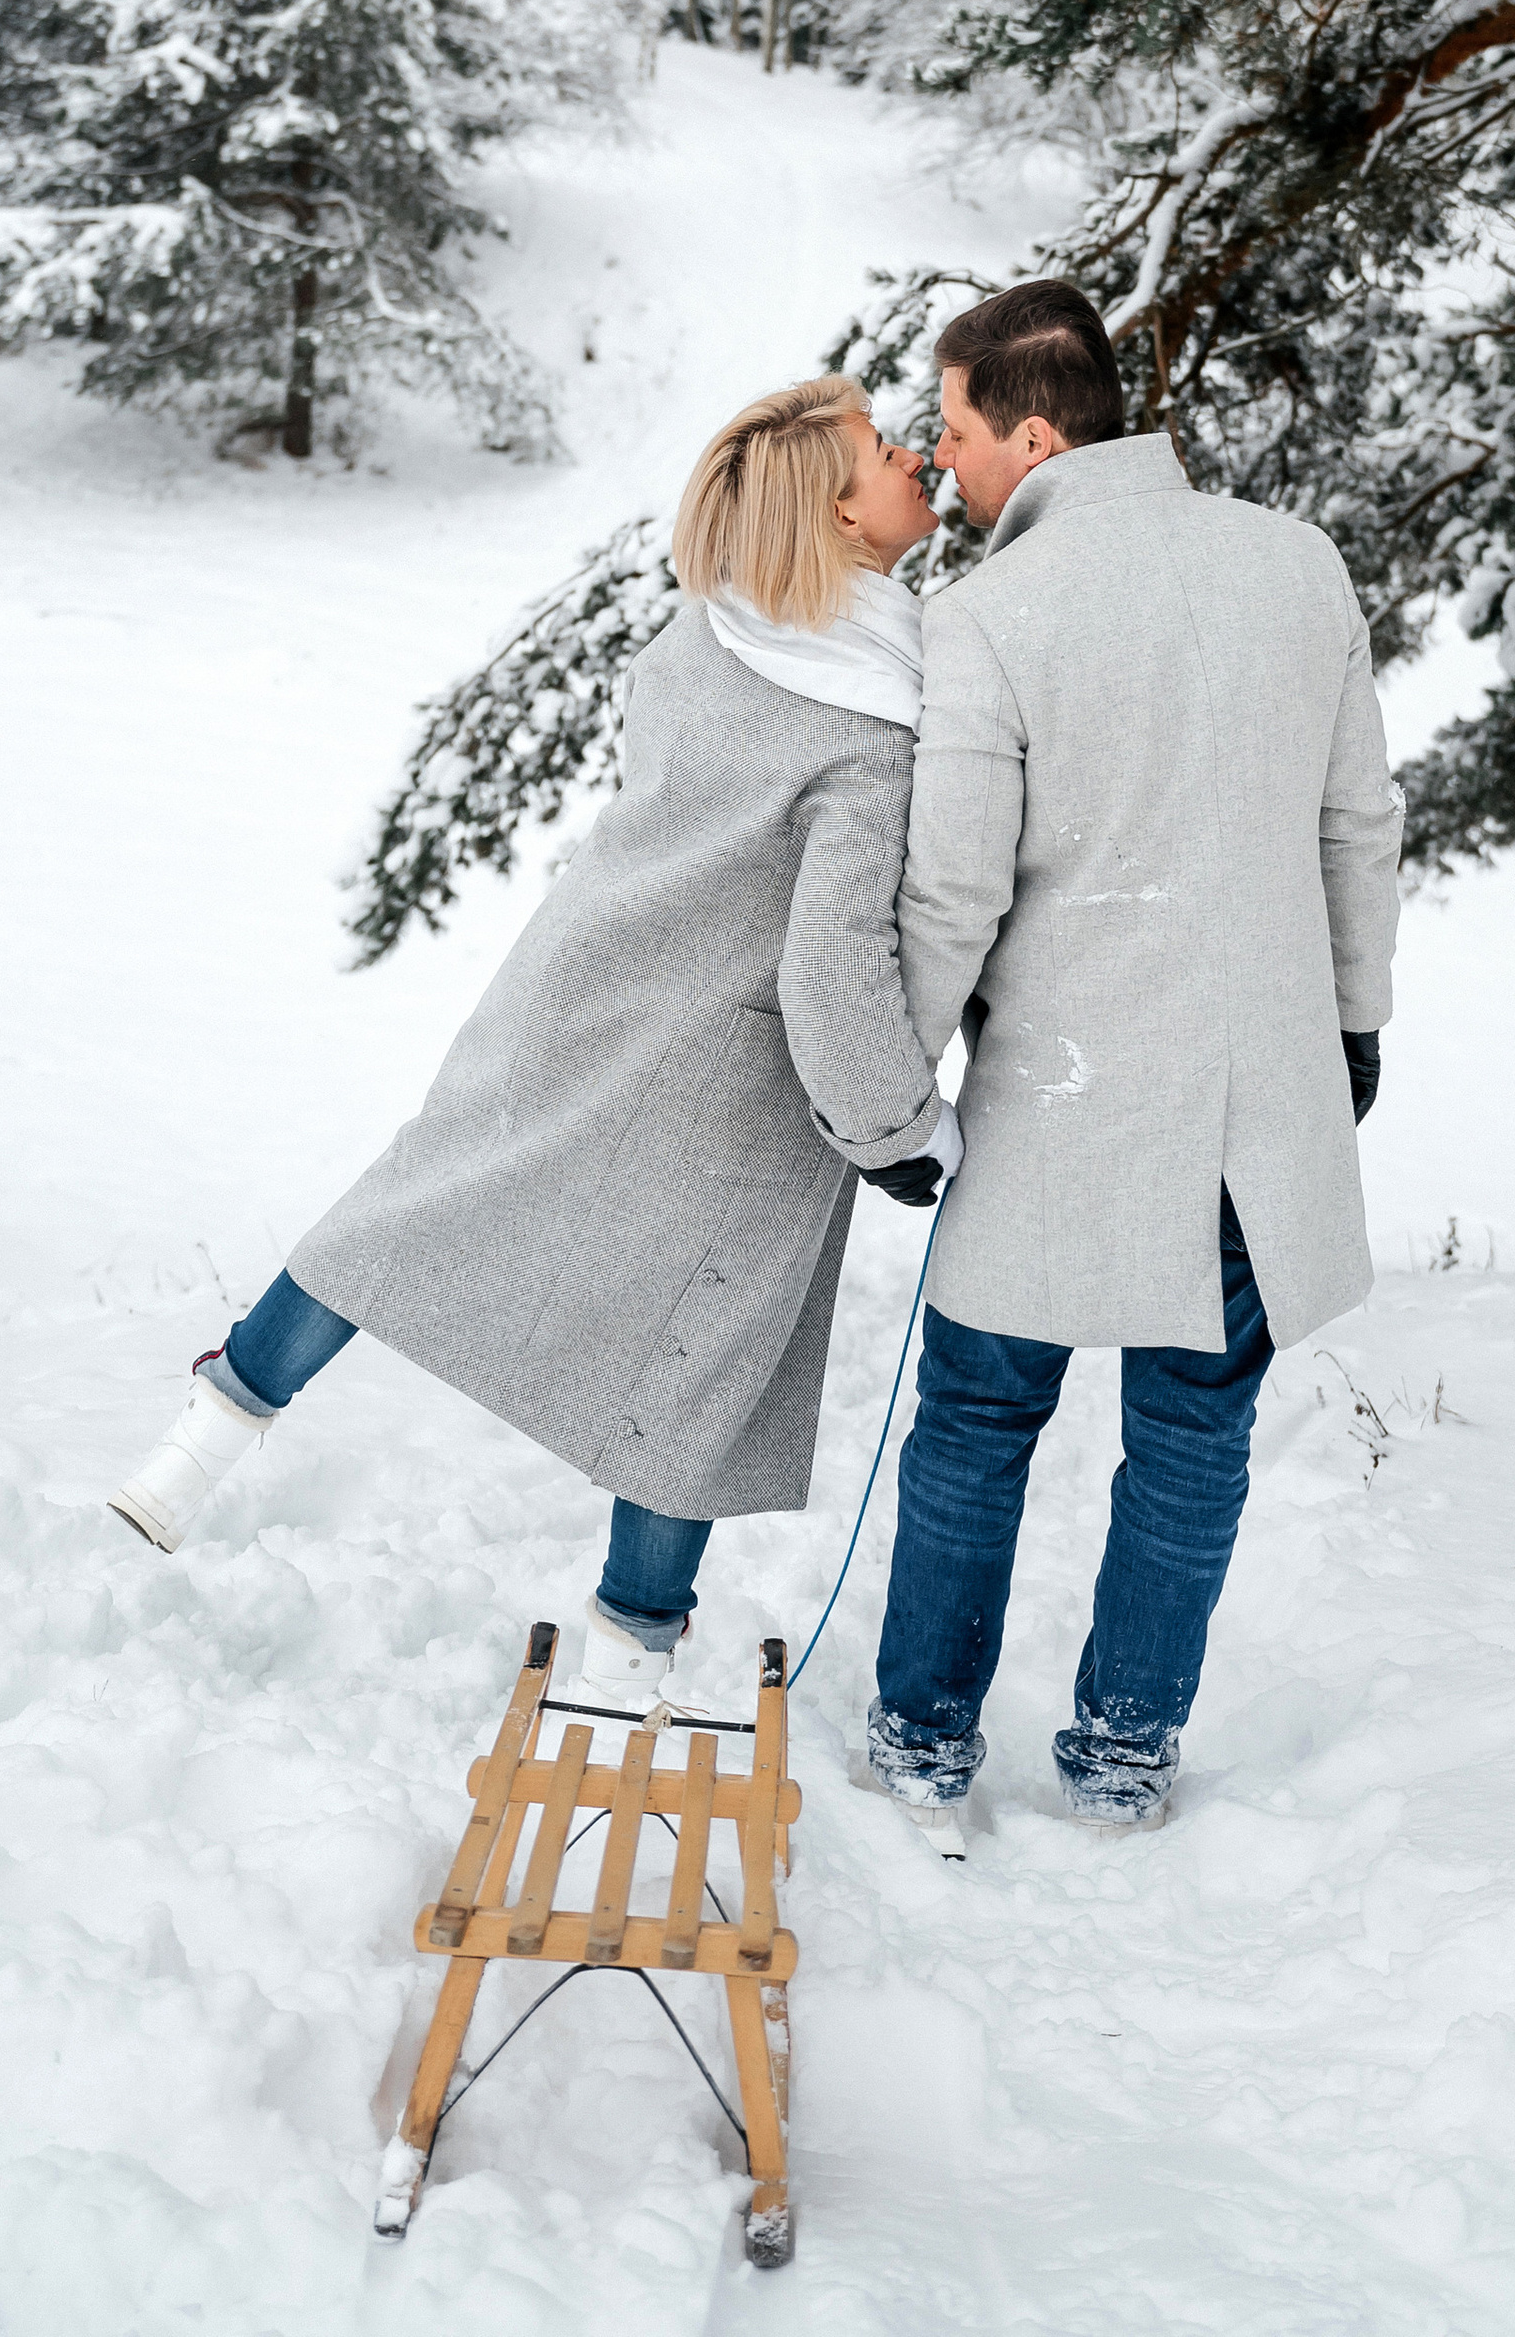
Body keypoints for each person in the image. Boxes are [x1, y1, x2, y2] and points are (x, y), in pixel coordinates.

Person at [104, 374, 962, 1713]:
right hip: (723, 1085)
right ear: (838, 515)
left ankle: (207, 1434)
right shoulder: (870, 721)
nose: (916, 453)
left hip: (572, 996)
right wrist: (899, 1131)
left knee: (422, 1202)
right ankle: (629, 1659)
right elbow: (831, 969)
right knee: (699, 1356)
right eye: (882, 450)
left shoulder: (706, 638)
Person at [861, 279, 1401, 1852]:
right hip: (1253, 1103)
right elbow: (1357, 825)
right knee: (1195, 1428)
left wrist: (893, 1094)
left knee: (975, 1417)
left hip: (1060, 1099)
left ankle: (924, 1731)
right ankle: (1121, 1752)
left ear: (1034, 434)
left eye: (954, 431)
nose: (938, 462)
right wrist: (1354, 1022)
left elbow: (951, 893)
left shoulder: (984, 623)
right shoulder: (1296, 564)